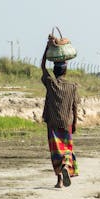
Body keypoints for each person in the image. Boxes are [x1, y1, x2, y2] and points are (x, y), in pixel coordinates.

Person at [41, 40, 79, 188]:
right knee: (67, 149)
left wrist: (46, 48)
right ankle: (65, 169)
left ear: (55, 71)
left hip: (52, 123)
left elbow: (43, 66)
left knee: (56, 152)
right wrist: (75, 123)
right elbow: (75, 107)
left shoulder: (50, 83)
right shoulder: (72, 86)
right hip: (67, 123)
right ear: (65, 71)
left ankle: (59, 181)